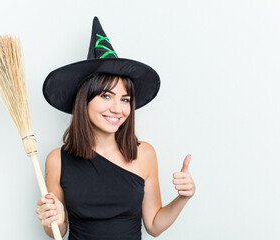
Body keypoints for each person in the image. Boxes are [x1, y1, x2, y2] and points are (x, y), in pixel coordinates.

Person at [35, 17, 195, 240]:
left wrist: (183, 198)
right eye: (106, 96)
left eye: (125, 99)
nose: (117, 109)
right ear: (85, 100)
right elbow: (57, 233)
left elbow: (154, 226)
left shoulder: (144, 154)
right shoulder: (57, 160)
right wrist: (56, 219)